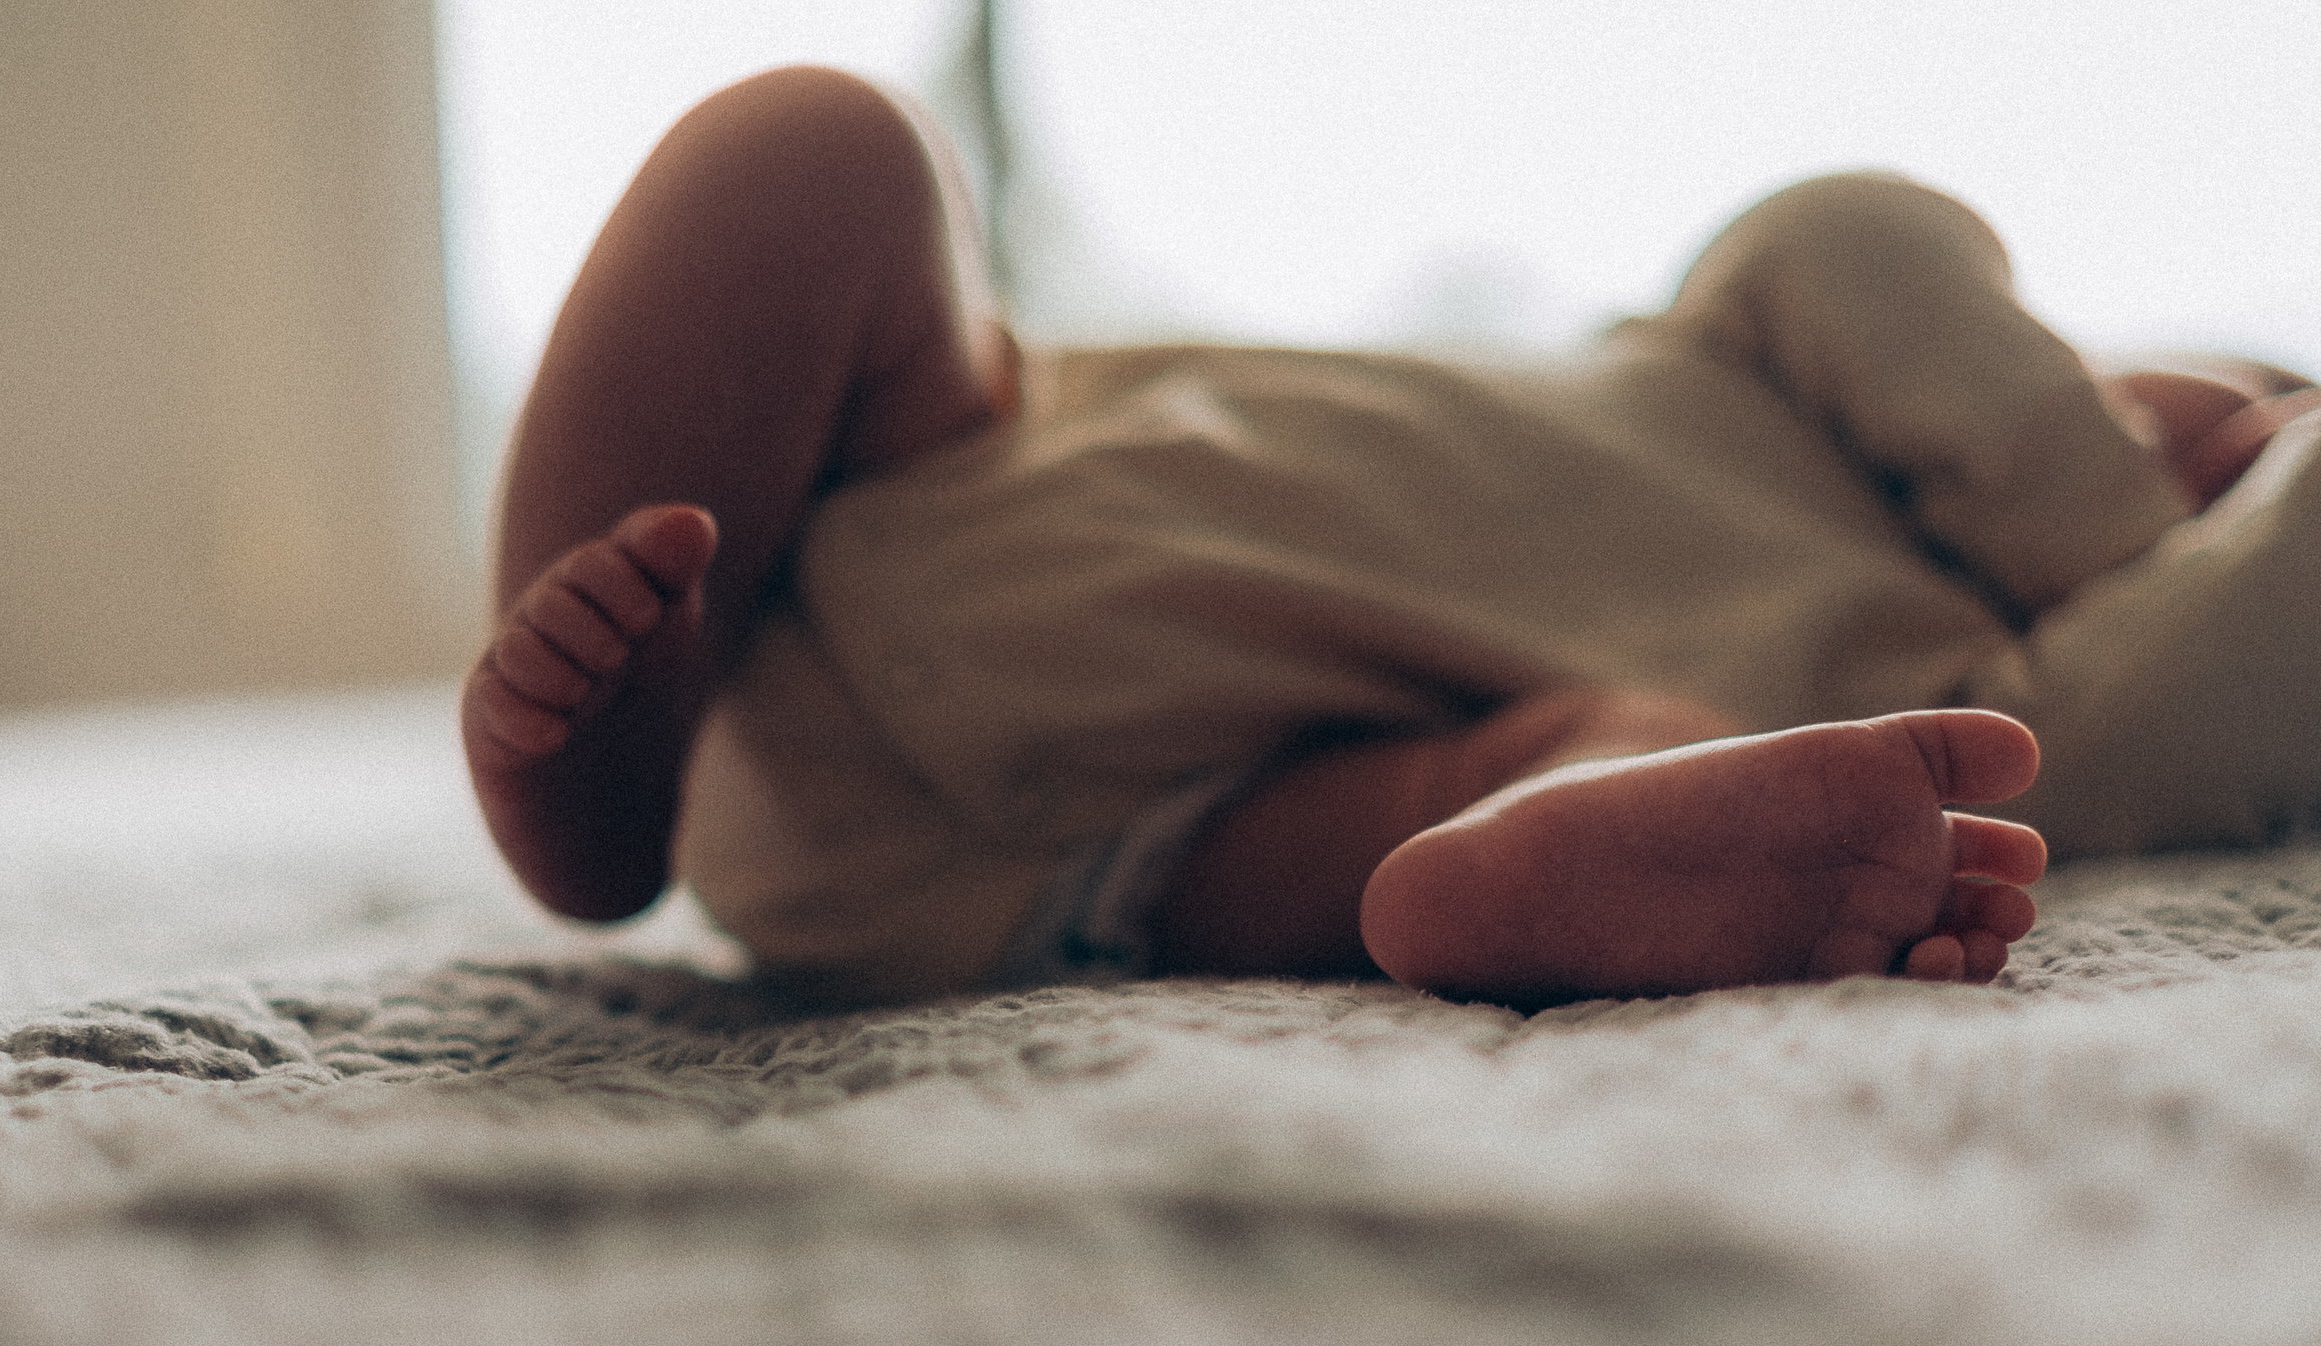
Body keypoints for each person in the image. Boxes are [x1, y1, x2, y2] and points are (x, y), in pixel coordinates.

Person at [460, 66, 2321, 1009]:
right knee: (824, 150)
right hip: (884, 512)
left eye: (2236, 464)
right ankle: (608, 752)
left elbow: (2254, 634)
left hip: (1120, 850)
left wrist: (2164, 535)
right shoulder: (1746, 368)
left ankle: (1503, 883)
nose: (2199, 445)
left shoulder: (1961, 724)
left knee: (1600, 774)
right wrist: (2092, 494)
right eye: (2184, 395)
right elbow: (1848, 232)